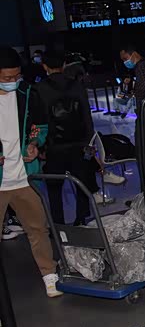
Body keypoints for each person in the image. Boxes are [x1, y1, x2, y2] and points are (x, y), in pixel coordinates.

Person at [0, 46, 62, 297]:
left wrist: (35, 144)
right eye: (7, 77)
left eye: (17, 76)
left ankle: (49, 274)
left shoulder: (27, 93)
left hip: (25, 177)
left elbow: (41, 126)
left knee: (38, 228)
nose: (13, 81)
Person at [37, 51, 108, 225]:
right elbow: (87, 117)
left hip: (54, 146)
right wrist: (89, 144)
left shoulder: (39, 89)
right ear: (63, 65)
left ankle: (59, 225)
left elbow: (40, 121)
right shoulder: (76, 85)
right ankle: (81, 219)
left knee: (54, 188)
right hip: (79, 144)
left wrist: (41, 146)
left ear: (44, 66)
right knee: (81, 183)